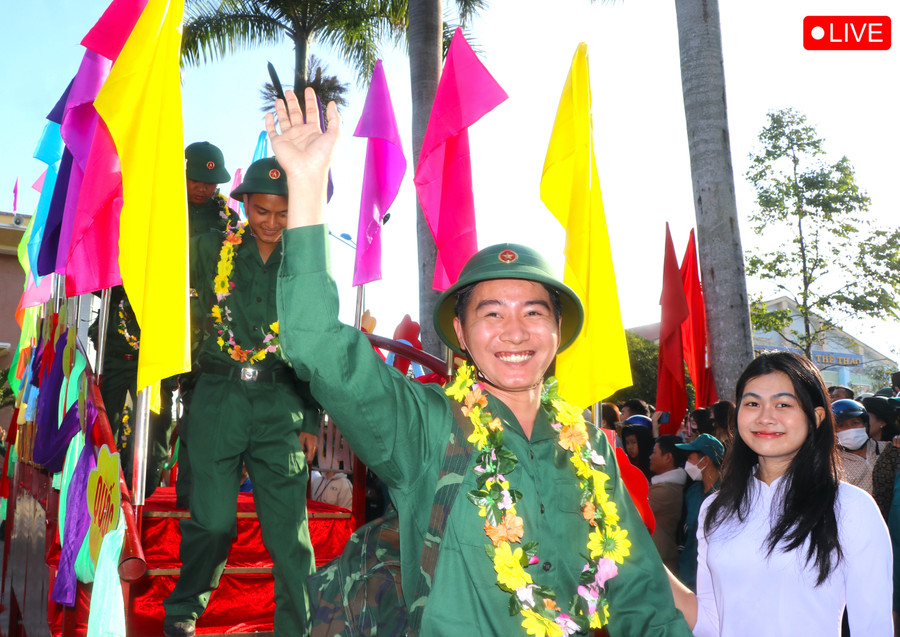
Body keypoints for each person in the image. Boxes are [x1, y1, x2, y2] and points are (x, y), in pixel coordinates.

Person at [269, 88, 692, 635]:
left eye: (534, 312)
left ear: (558, 331)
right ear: (462, 336)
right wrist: (306, 184)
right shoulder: (426, 426)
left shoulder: (590, 448)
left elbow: (638, 592)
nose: (514, 331)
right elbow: (316, 344)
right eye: (491, 314)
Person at [163, 157, 322, 637]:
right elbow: (162, 275)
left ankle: (299, 629)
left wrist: (311, 420)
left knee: (289, 537)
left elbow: (316, 344)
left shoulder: (306, 264)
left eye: (282, 213)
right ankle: (182, 611)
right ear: (244, 204)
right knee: (212, 523)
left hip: (280, 404)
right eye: (262, 211)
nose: (271, 224)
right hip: (219, 397)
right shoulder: (211, 248)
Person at [667, 351, 892, 636]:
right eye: (752, 403)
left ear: (817, 416)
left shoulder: (851, 507)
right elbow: (711, 622)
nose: (765, 418)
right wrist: (639, 556)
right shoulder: (716, 507)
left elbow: (873, 628)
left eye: (783, 404)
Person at [674, 434, 724, 591]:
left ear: (706, 461)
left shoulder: (727, 494)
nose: (687, 463)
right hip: (688, 574)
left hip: (713, 579)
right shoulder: (692, 492)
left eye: (691, 458)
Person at [648, 435, 688, 574]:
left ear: (668, 457)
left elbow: (635, 509)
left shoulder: (665, 490)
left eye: (654, 452)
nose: (650, 457)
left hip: (662, 561)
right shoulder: (665, 485)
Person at [833, 398, 886, 495]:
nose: (850, 429)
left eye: (855, 423)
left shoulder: (886, 449)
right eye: (842, 425)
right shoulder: (834, 463)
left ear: (865, 425)